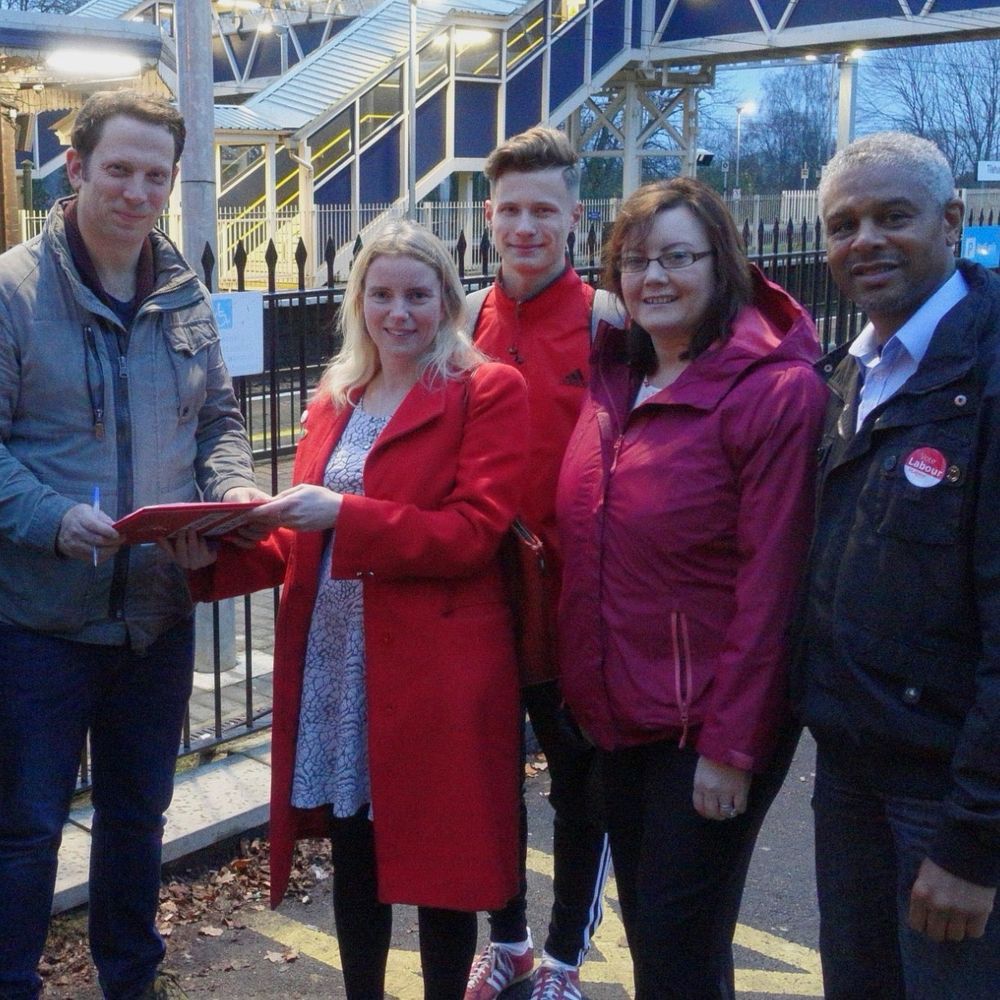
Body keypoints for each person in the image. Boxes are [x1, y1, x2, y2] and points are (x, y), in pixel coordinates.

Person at [174, 220, 528, 999]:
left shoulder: (487, 389)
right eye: (380, 293)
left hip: (430, 669)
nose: (398, 311)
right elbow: (305, 542)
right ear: (357, 301)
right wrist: (218, 552)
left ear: (447, 300)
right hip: (340, 664)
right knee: (355, 854)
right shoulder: (339, 395)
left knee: (442, 872)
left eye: (416, 294)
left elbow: (473, 535)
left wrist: (345, 513)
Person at [0, 91, 262, 1000]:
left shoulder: (184, 291)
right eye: (119, 169)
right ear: (74, 170)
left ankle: (132, 981)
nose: (138, 190)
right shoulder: (12, 292)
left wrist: (227, 490)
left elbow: (219, 421)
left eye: (157, 174)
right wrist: (49, 517)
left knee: (136, 818)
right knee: (26, 827)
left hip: (155, 609)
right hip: (40, 617)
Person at [556, 177, 826, 999]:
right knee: (664, 941)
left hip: (704, 729)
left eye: (677, 256)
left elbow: (772, 588)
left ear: (722, 263)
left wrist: (731, 748)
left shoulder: (776, 393)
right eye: (635, 261)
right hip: (620, 716)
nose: (654, 278)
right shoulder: (619, 379)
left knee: (675, 943)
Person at [793, 131, 1000, 999]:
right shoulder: (858, 372)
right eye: (844, 225)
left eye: (893, 217)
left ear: (951, 221)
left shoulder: (986, 380)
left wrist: (974, 841)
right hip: (851, 777)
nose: (864, 241)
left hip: (944, 801)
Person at [463, 126, 620, 1000]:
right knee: (489, 781)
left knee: (579, 787)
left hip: (575, 600)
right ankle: (510, 940)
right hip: (483, 593)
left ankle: (563, 956)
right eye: (512, 209)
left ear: (574, 217)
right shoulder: (464, 320)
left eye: (544, 210)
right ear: (489, 215)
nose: (527, 227)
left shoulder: (610, 321)